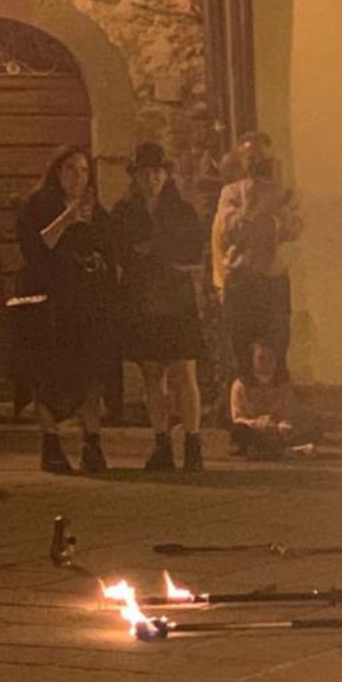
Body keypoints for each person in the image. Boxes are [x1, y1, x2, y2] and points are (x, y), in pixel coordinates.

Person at [13, 143, 119, 475]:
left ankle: (92, 443)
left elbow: (106, 248)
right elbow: (36, 246)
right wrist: (67, 219)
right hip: (48, 302)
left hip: (85, 302)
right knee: (47, 374)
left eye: (85, 170)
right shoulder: (36, 205)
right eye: (71, 169)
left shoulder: (94, 208)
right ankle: (51, 443)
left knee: (91, 373)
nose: (78, 177)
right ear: (57, 172)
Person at [111, 142, 207, 472]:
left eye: (156, 172)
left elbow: (192, 249)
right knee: (152, 373)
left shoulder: (182, 211)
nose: (151, 178)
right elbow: (120, 251)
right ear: (134, 176)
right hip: (142, 298)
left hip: (176, 299)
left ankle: (193, 443)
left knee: (184, 370)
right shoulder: (124, 212)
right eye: (144, 172)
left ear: (165, 175)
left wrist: (155, 249)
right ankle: (162, 441)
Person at [212, 132, 301, 372]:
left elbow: (292, 230)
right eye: (249, 157)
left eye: (260, 158)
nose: (255, 163)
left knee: (277, 346)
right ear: (240, 159)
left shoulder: (282, 192)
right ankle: (244, 405)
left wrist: (275, 211)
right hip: (242, 280)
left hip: (272, 280)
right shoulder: (230, 193)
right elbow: (230, 231)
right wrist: (255, 202)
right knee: (241, 348)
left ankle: (277, 403)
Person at [228, 339, 321, 459]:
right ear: (252, 360)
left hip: (279, 430)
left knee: (311, 426)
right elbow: (238, 418)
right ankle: (286, 451)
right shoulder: (240, 384)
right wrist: (259, 424)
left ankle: (266, 451)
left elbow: (289, 411)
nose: (266, 362)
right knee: (238, 432)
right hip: (255, 429)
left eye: (270, 358)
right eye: (261, 358)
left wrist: (281, 424)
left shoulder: (283, 384)